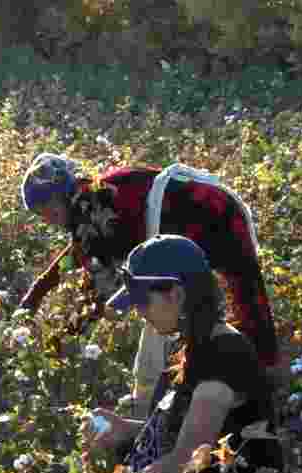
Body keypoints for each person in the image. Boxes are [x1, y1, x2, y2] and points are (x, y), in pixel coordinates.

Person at [48, 234, 290, 473]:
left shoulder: (224, 355)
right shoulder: (194, 344)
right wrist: (125, 429)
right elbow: (185, 427)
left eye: (143, 301)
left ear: (175, 294)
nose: (138, 312)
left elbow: (186, 462)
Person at [17, 153, 285, 417]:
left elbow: (99, 286)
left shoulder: (100, 208)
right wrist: (35, 295)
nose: (47, 219)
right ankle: (230, 384)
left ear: (63, 196)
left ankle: (240, 394)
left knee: (212, 309)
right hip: (208, 213)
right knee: (207, 310)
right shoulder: (90, 201)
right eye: (40, 214)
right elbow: (77, 253)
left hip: (214, 219)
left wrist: (65, 338)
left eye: (47, 209)